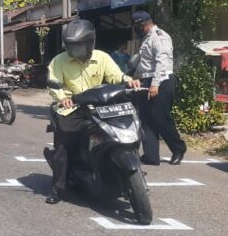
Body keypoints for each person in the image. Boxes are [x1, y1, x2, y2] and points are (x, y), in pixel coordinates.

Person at [44, 19, 141, 204]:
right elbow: (53, 83)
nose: (74, 50)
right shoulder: (59, 61)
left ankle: (125, 170)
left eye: (79, 45)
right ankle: (57, 187)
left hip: (100, 105)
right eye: (71, 46)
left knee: (127, 127)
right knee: (64, 146)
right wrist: (62, 97)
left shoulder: (102, 57)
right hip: (72, 107)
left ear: (90, 43)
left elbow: (115, 75)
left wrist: (129, 81)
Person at [131, 11, 187, 165]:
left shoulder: (160, 36)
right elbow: (144, 65)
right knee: (146, 118)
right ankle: (151, 155)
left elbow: (162, 61)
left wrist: (155, 84)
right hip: (147, 80)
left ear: (143, 24)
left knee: (160, 117)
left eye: (136, 26)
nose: (135, 30)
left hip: (162, 80)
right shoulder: (146, 38)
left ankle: (178, 148)